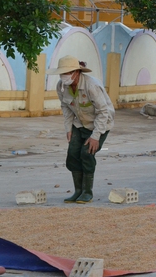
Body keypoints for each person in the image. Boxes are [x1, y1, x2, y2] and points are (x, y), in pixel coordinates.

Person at [47, 56, 115, 204]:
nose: (64, 76)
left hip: (99, 124)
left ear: (77, 72)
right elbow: (66, 107)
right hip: (78, 124)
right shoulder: (61, 86)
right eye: (62, 73)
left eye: (67, 72)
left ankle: (87, 192)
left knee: (86, 153)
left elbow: (103, 112)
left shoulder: (92, 86)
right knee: (72, 155)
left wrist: (96, 136)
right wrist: (68, 128)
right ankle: (77, 191)